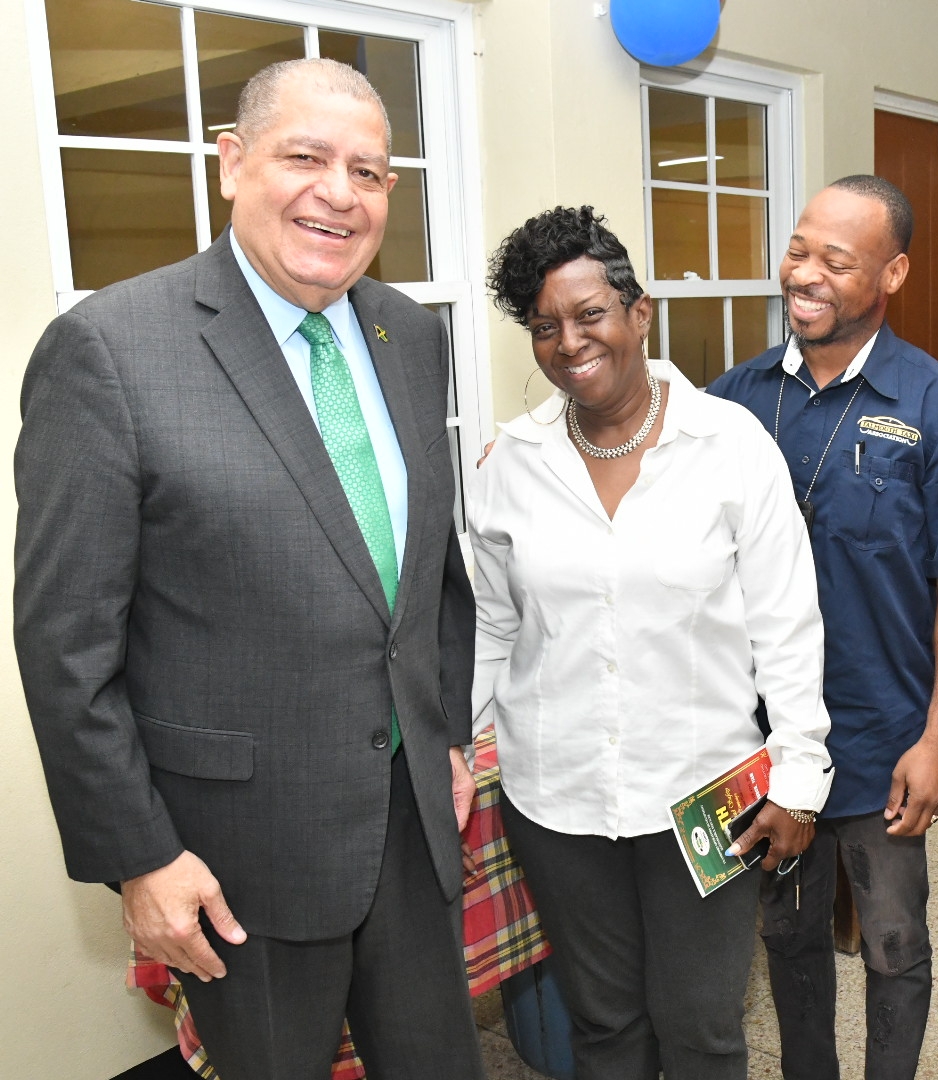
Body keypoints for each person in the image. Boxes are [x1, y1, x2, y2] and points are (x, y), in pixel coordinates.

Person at [15, 59, 483, 1078]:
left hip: (409, 822)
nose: (338, 193)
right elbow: (64, 647)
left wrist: (443, 735)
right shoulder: (108, 351)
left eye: (368, 171)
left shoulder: (412, 336)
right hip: (237, 855)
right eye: (305, 157)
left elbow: (430, 569)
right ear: (232, 164)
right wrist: (141, 855)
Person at [471, 206, 834, 1080]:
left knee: (702, 1026)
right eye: (544, 326)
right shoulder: (508, 464)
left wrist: (800, 776)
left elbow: (786, 621)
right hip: (554, 795)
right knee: (602, 1024)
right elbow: (491, 622)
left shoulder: (729, 445)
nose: (569, 342)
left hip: (701, 794)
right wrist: (457, 746)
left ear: (640, 312)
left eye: (590, 314)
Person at [708, 176, 938, 1080]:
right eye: (800, 250)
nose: (806, 274)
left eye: (837, 260)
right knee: (787, 941)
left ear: (893, 273)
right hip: (759, 742)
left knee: (893, 947)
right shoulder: (733, 401)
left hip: (883, 738)